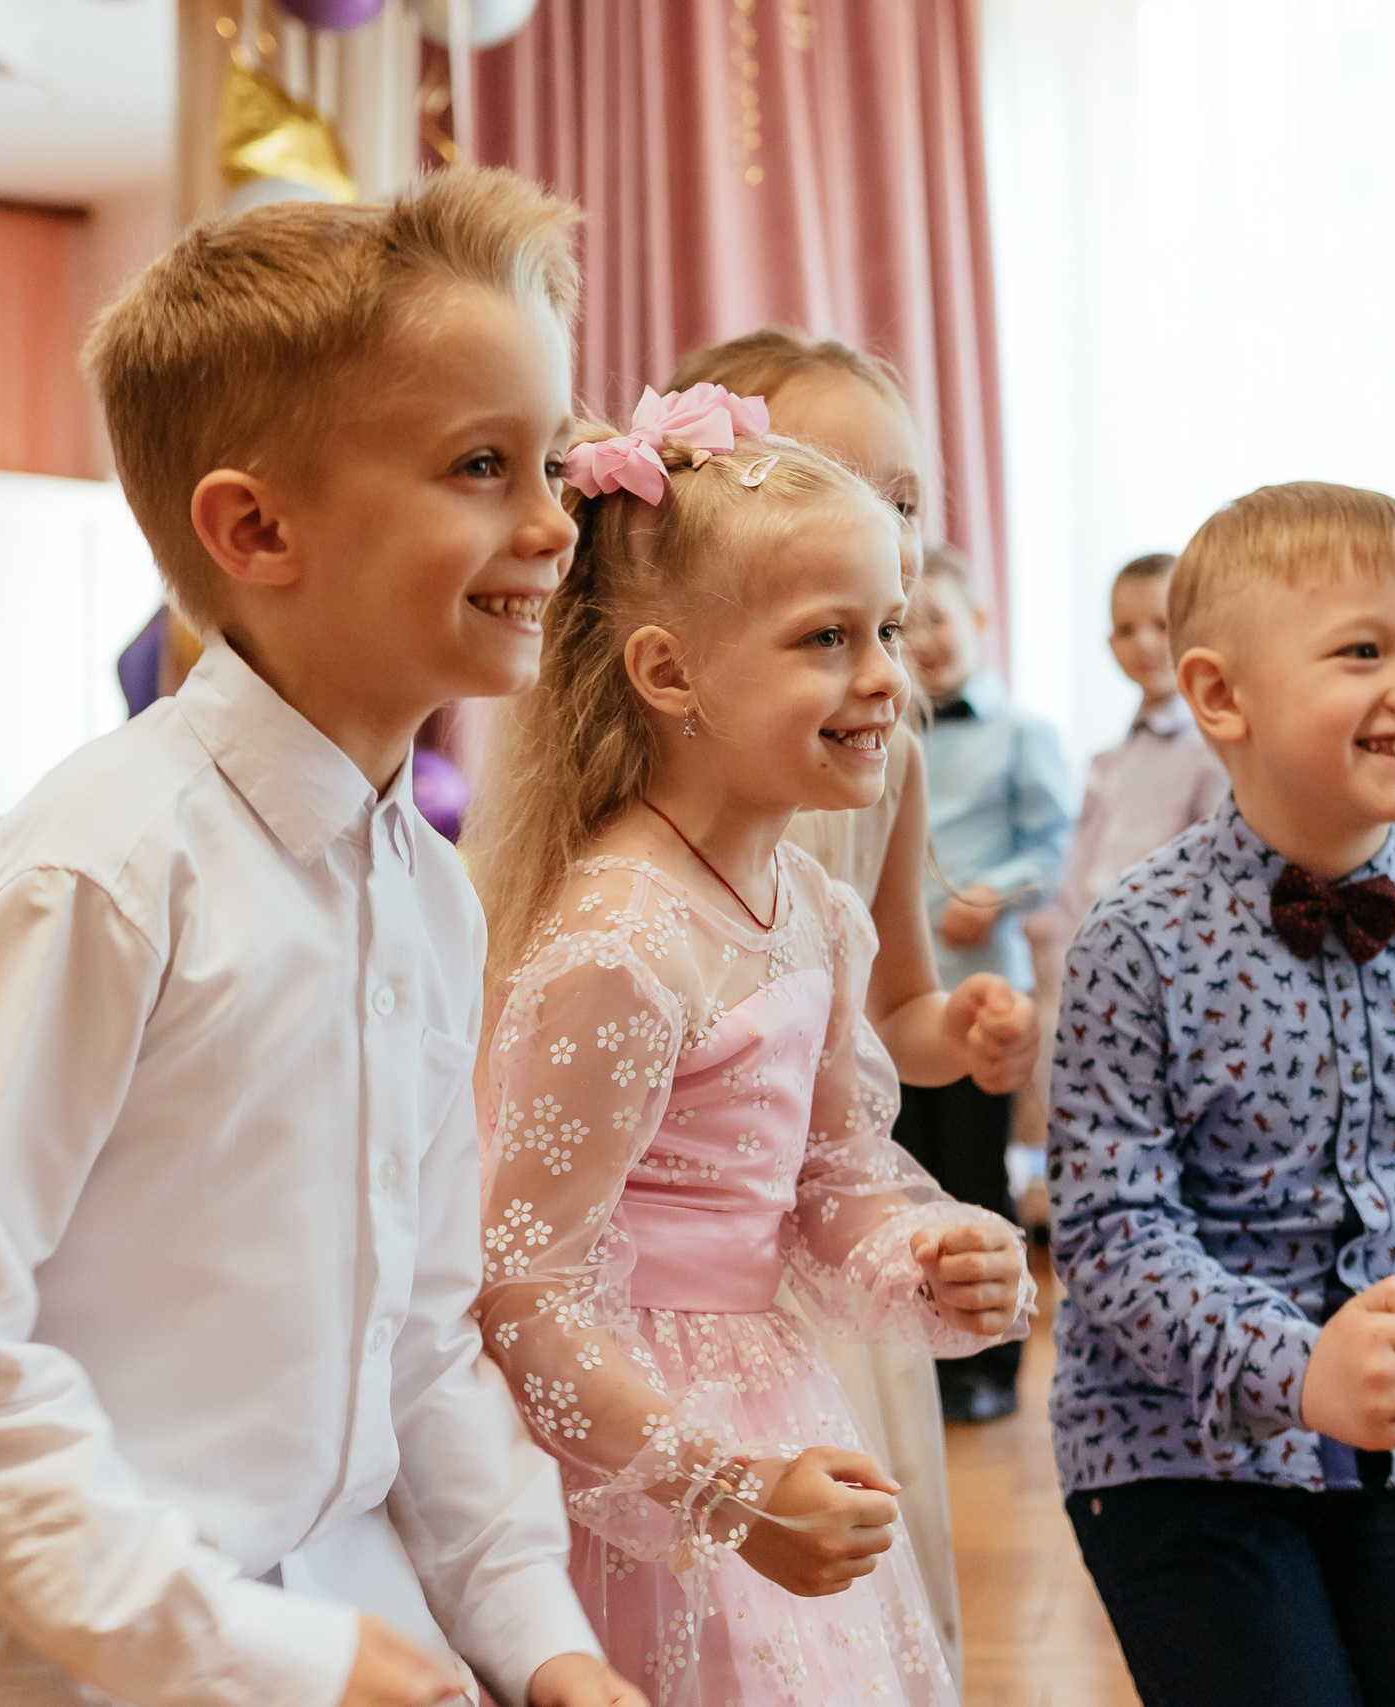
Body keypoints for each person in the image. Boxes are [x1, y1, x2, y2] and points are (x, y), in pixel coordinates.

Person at [0, 174, 644, 1707]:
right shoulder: (99, 875)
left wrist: (537, 1629)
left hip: (346, 1622)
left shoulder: (427, 888)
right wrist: (260, 1650)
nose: (552, 522)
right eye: (482, 464)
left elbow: (417, 1330)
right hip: (92, 1656)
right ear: (256, 525)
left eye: (551, 459)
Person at [461, 386, 1032, 1707]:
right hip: (637, 1458)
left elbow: (832, 1183)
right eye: (828, 637)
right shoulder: (619, 940)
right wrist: (719, 1484)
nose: (889, 675)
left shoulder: (819, 914)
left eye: (889, 627)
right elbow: (519, 1293)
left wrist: (929, 1253)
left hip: (774, 1401)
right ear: (669, 675)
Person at [1047, 482, 1395, 1707]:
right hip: (1172, 1450)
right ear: (1220, 697)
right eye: (1363, 649)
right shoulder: (1136, 939)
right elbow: (1109, 1235)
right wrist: (1295, 1368)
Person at [665, 326, 1036, 1675]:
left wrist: (966, 1030)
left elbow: (895, 1013)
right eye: (832, 480)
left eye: (905, 502)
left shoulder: (893, 753)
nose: (880, 527)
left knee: (855, 1612)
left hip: (834, 1261)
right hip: (681, 1287)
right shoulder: (629, 817)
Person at [900, 544, 1073, 1422]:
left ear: (977, 622)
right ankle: (928, 1362)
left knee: (974, 1175)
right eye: (908, 620)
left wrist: (995, 891)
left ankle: (993, 1366)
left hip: (978, 994)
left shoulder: (1022, 734)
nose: (925, 638)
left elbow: (1053, 847)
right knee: (908, 1176)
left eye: (941, 616)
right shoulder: (890, 729)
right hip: (894, 996)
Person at [1029, 551, 1227, 954]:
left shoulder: (1212, 754)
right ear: (1110, 644)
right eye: (1125, 629)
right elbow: (1079, 874)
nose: (1145, 643)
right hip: (1090, 954)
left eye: (1162, 625)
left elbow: (1219, 873)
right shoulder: (1106, 762)